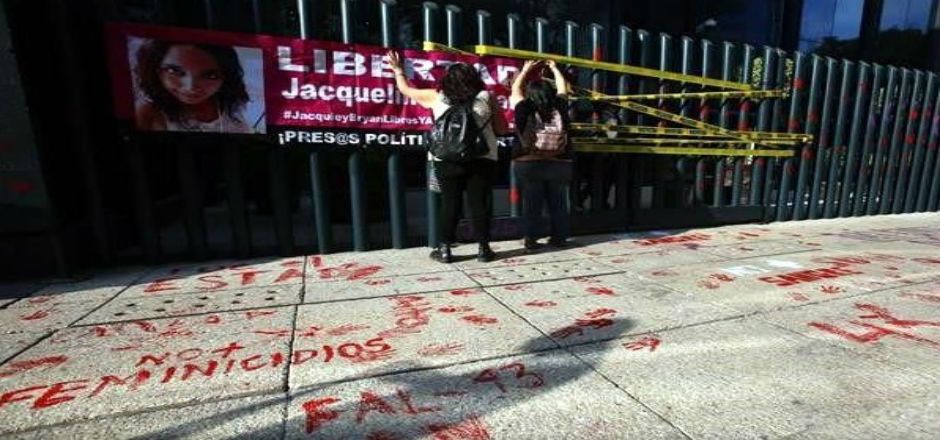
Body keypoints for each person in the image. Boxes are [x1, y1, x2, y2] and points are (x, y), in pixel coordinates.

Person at [387, 51, 507, 263]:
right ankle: (483, 249)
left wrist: (398, 70)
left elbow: (405, 89)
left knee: (449, 203)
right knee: (479, 203)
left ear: (447, 79)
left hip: (446, 158)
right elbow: (502, 129)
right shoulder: (486, 97)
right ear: (474, 79)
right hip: (482, 157)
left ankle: (445, 250)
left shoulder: (436, 96)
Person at [510, 59, 573, 250]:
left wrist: (525, 70)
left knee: (531, 202)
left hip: (528, 162)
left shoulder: (523, 107)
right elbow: (562, 88)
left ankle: (531, 239)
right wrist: (554, 68)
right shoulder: (560, 106)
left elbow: (515, 90)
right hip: (559, 162)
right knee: (558, 202)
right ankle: (559, 238)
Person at [134, 40, 254, 133]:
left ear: (226, 77)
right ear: (155, 70)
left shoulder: (229, 104)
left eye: (210, 76)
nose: (190, 87)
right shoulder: (148, 112)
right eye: (174, 71)